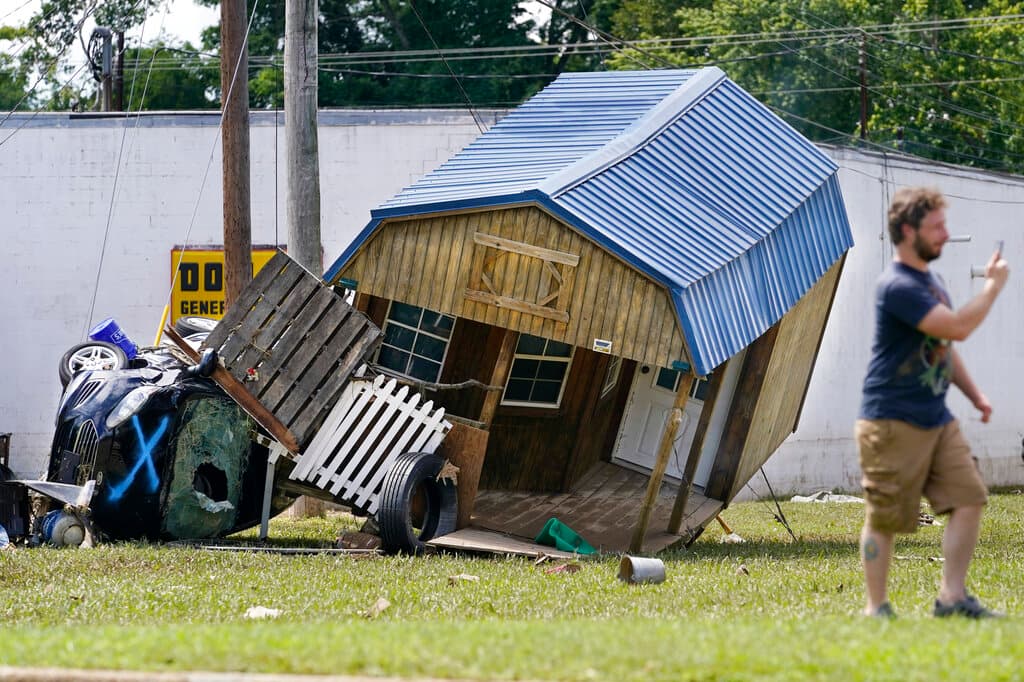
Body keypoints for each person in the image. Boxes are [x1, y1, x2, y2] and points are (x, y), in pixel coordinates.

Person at [857, 186, 1009, 619]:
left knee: (969, 498)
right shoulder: (898, 286)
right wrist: (992, 288)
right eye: (937, 226)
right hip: (892, 418)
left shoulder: (932, 281)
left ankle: (952, 598)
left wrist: (975, 395)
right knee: (885, 516)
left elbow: (944, 343)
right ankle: (876, 608)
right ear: (909, 231)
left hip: (936, 417)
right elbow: (957, 327)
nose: (945, 234)